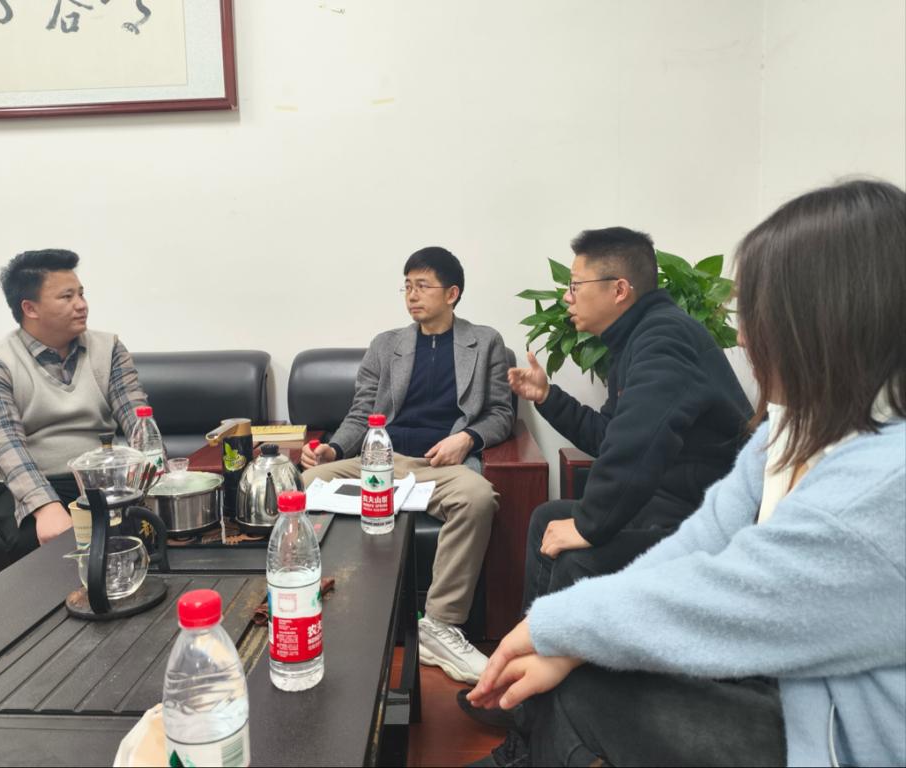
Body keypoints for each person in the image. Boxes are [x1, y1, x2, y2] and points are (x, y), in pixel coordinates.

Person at [468, 179, 906, 767]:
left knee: (579, 639)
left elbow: (737, 591)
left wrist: (566, 616)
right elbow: (686, 516)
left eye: (759, 313)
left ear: (831, 319)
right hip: (792, 682)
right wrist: (548, 398)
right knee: (561, 568)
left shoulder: (881, 487)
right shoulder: (789, 429)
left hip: (827, 733)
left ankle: (524, 729)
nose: (743, 336)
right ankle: (525, 723)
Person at [509, 227, 751, 611]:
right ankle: (534, 640)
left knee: (576, 557)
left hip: (700, 516)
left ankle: (544, 645)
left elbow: (636, 443)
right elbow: (610, 435)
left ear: (619, 289)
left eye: (575, 285)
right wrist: (547, 397)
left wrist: (589, 525)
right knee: (547, 519)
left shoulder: (664, 338)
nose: (567, 296)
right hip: (663, 503)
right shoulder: (636, 339)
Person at [302, 246, 514, 684]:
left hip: (441, 463)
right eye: (407, 286)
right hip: (379, 459)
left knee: (478, 498)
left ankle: (440, 624)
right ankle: (318, 607)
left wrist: (467, 439)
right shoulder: (386, 345)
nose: (412, 296)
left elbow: (500, 414)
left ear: (452, 293)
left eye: (422, 286)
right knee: (304, 482)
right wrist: (334, 450)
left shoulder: (485, 342)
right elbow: (362, 412)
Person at [0, 249, 150, 568]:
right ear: (30, 308)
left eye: (81, 293)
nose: (81, 304)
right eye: (67, 296)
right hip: (29, 481)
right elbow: (6, 446)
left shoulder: (108, 349)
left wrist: (152, 475)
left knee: (143, 528)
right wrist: (45, 506)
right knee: (33, 543)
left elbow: (138, 420)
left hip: (99, 478)